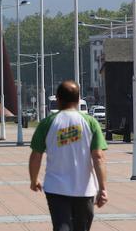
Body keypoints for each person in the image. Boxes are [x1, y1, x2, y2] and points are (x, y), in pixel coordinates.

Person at [29, 80, 108, 231]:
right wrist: (103, 188)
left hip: (56, 188)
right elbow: (98, 156)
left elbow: (36, 156)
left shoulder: (47, 123)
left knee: (61, 226)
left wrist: (34, 180)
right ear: (78, 100)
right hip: (85, 189)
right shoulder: (90, 123)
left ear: (58, 99)